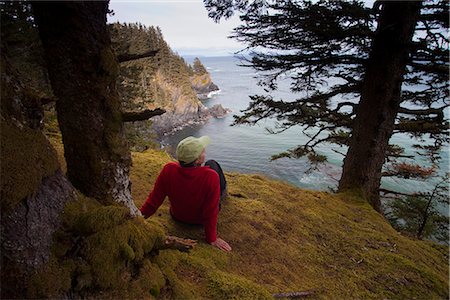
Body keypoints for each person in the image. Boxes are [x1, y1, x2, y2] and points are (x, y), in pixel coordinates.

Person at [140, 136, 232, 252]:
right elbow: (211, 210)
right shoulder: (210, 176)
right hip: (199, 222)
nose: (205, 150)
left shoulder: (168, 169)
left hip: (178, 217)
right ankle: (224, 194)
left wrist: (138, 217)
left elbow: (154, 201)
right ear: (198, 160)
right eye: (203, 150)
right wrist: (212, 238)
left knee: (211, 166)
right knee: (212, 164)